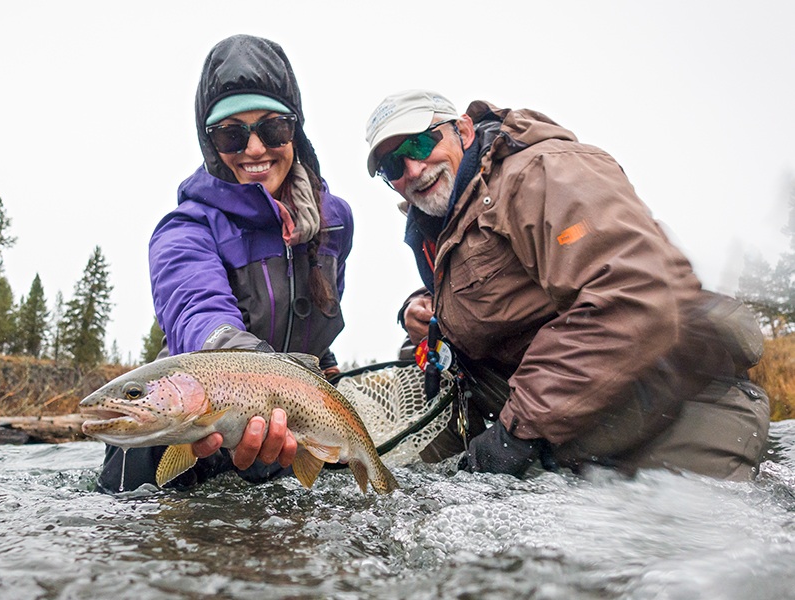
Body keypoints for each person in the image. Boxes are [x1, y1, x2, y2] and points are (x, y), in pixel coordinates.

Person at [364, 89, 769, 481]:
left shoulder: (542, 173)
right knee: (418, 366)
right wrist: (424, 307)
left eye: (419, 145)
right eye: (394, 167)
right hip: (581, 427)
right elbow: (502, 294)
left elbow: (635, 295)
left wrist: (515, 434)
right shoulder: (443, 219)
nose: (413, 170)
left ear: (464, 131)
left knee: (685, 546)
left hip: (677, 415)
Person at [97, 35, 354, 492]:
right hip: (182, 425)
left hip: (285, 428)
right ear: (211, 143)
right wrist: (254, 372)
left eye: (273, 128)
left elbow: (319, 326)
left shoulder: (334, 222)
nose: (255, 149)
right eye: (232, 133)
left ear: (296, 130)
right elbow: (198, 312)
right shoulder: (184, 228)